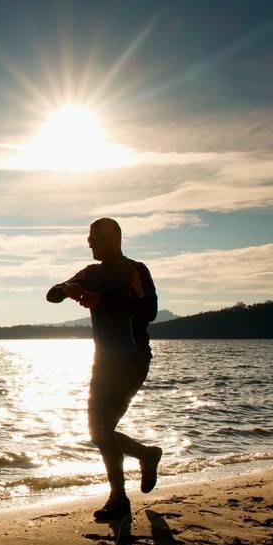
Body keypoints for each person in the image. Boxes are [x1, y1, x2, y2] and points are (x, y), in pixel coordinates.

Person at [46, 217, 163, 521]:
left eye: (94, 237)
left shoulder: (134, 270)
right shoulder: (91, 273)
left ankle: (119, 499)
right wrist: (68, 288)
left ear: (113, 239)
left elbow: (148, 311)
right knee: (100, 431)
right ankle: (146, 455)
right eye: (89, 237)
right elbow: (52, 294)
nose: (89, 243)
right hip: (104, 361)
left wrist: (103, 300)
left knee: (101, 429)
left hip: (132, 359)